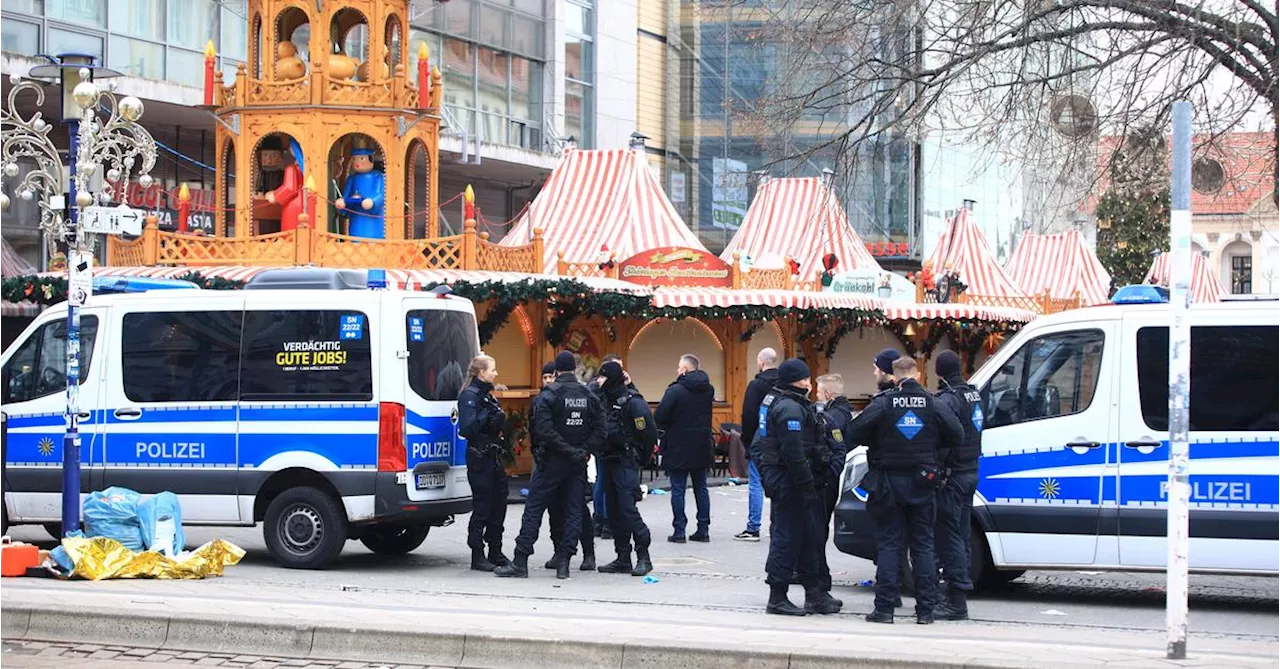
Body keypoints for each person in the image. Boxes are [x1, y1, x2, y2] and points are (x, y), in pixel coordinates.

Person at [846, 356, 964, 625]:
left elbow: (854, 432)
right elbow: (957, 434)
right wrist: (934, 448)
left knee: (889, 545)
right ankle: (925, 611)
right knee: (923, 545)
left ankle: (884, 609)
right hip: (923, 482)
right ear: (918, 374)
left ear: (894, 376)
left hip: (888, 482)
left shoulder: (884, 403)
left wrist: (876, 439)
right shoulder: (933, 403)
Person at [495, 352, 605, 579]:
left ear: (556, 371)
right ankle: (564, 560)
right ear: (574, 368)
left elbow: (543, 431)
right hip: (576, 463)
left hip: (551, 461)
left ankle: (521, 560)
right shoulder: (588, 394)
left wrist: (568, 450)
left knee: (534, 509)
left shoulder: (549, 395)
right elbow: (601, 429)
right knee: (574, 510)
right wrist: (582, 451)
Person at [752, 358, 841, 616]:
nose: (810, 383)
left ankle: (815, 594)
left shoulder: (780, 401)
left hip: (790, 480)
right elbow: (794, 452)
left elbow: (758, 445)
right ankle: (777, 596)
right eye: (807, 378)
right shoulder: (790, 408)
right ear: (800, 381)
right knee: (787, 537)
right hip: (793, 483)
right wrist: (806, 484)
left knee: (808, 537)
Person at [932, 350, 983, 620]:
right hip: (971, 470)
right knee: (961, 534)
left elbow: (943, 438)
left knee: (949, 535)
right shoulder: (973, 394)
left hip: (953, 475)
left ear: (939, 372)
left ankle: (955, 600)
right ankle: (958, 592)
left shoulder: (948, 399)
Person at [594, 361, 658, 576]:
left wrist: (639, 458)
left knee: (627, 509)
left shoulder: (633, 403)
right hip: (609, 461)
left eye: (602, 377)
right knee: (613, 511)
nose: (599, 381)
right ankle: (622, 557)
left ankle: (643, 556)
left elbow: (648, 434)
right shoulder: (605, 400)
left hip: (626, 463)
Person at [655, 354, 715, 543]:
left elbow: (660, 416)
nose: (677, 370)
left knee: (678, 488)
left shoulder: (675, 391)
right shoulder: (708, 389)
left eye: (679, 367)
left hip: (678, 445)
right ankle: (703, 529)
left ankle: (679, 530)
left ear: (685, 369)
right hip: (702, 444)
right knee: (701, 487)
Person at [542, 361, 596, 571]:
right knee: (555, 509)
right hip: (553, 461)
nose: (548, 381)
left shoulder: (570, 395)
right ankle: (559, 552)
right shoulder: (545, 398)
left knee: (578, 509)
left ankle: (588, 553)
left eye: (550, 376)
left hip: (571, 460)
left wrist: (584, 450)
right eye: (544, 377)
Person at [457, 355, 509, 572]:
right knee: (483, 506)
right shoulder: (470, 396)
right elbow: (467, 429)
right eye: (492, 369)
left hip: (494, 456)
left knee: (499, 504)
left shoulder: (487, 395)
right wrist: (487, 416)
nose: (495, 373)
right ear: (481, 372)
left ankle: (495, 550)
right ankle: (477, 554)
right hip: (479, 457)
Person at [814, 374, 853, 597]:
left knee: (819, 527)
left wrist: (829, 474)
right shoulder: (843, 412)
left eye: (819, 392)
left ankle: (820, 576)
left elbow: (835, 449)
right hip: (833, 478)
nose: (816, 396)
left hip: (829, 481)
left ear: (828, 394)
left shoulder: (833, 417)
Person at [736, 347, 779, 542]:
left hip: (759, 440)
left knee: (756, 484)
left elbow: (749, 416)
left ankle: (753, 528)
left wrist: (747, 440)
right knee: (780, 482)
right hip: (780, 441)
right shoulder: (783, 384)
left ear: (760, 363)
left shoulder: (756, 385)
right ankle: (778, 526)